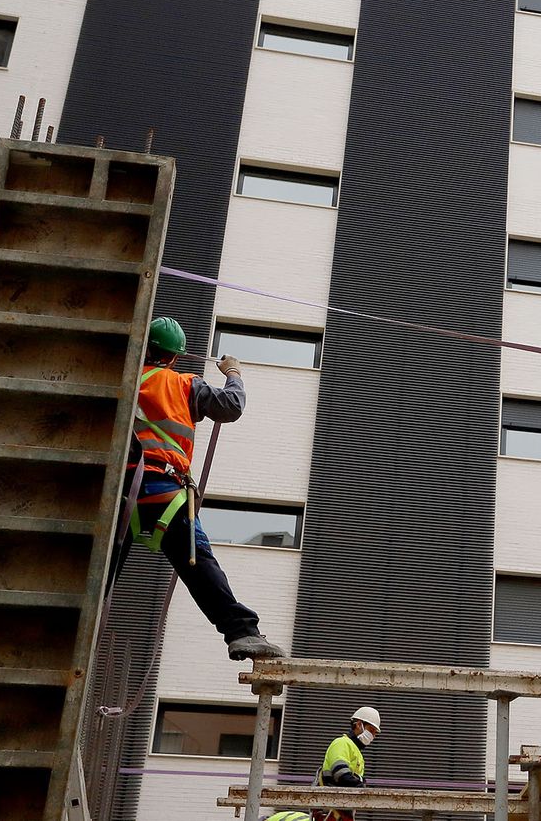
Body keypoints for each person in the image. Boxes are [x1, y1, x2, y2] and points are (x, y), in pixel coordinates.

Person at [111, 315, 284, 660]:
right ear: (174, 357)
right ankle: (241, 633)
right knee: (199, 562)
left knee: (100, 569)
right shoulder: (184, 385)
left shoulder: (121, 380)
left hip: (116, 491)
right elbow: (231, 406)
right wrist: (233, 372)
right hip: (164, 491)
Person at [314, 706, 382, 821]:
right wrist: (362, 787)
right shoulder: (341, 743)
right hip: (330, 809)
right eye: (371, 730)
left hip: (342, 809)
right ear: (358, 724)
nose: (373, 736)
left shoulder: (357, 752)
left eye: (375, 733)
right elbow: (341, 774)